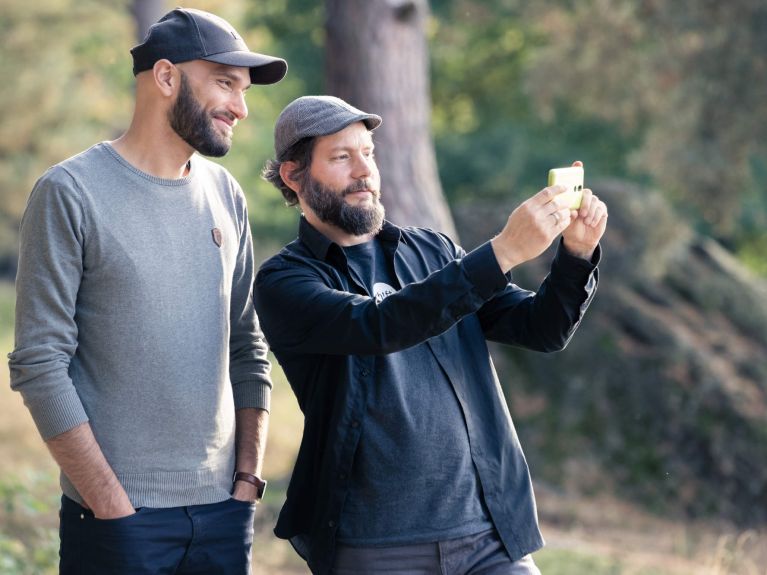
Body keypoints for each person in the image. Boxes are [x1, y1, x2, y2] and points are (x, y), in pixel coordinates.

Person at [254, 95, 608, 575]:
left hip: (488, 535)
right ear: (294, 175)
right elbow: (379, 324)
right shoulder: (285, 281)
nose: (365, 171)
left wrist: (576, 257)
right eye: (341, 157)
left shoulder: (433, 250)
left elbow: (540, 329)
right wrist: (502, 252)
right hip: (375, 548)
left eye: (368, 153)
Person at [8, 8, 286, 574]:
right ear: (165, 78)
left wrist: (246, 483)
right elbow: (39, 363)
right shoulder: (70, 193)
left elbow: (247, 345)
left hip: (222, 517)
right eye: (226, 84)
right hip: (117, 521)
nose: (241, 106)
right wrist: (111, 503)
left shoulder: (226, 195)